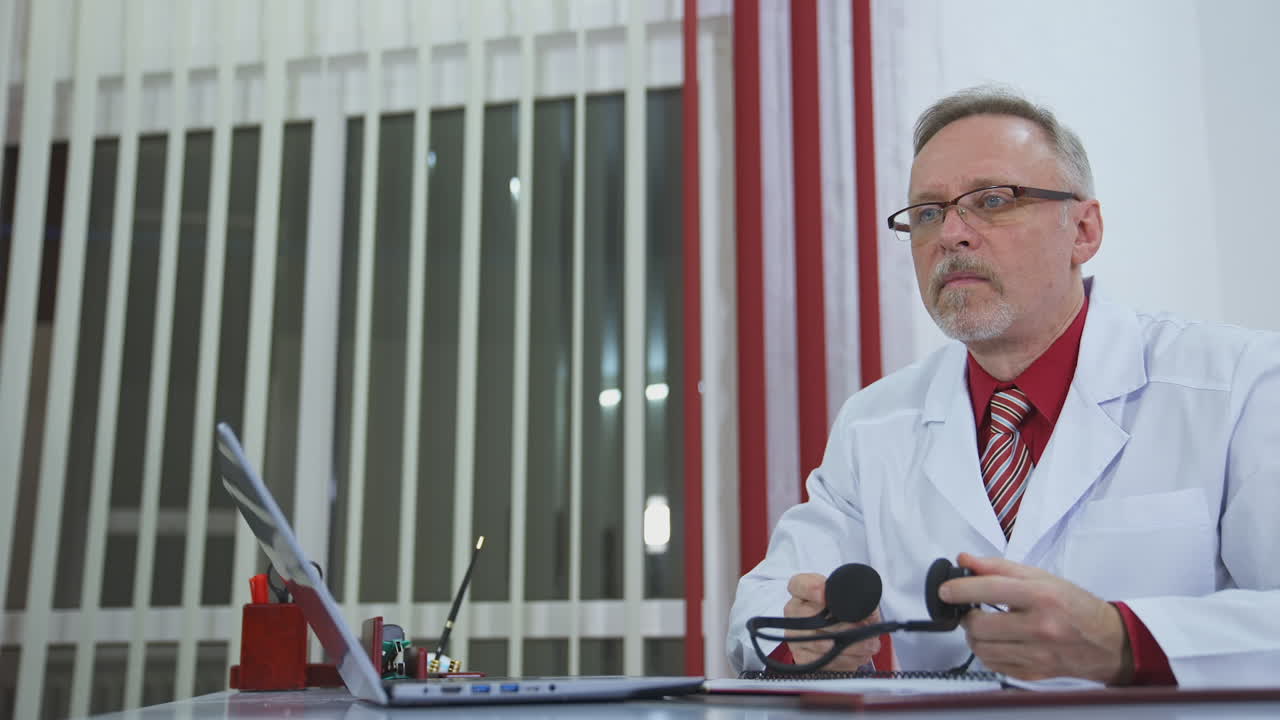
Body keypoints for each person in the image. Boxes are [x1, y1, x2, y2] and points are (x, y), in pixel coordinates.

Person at [726, 86, 1280, 688]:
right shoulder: (875, 421)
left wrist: (1122, 639)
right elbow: (763, 603)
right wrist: (802, 640)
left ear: (1084, 231)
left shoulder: (1239, 385)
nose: (952, 235)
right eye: (929, 213)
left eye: (992, 200)